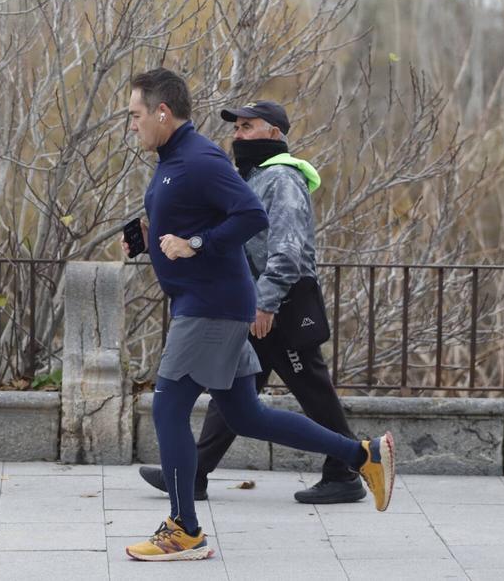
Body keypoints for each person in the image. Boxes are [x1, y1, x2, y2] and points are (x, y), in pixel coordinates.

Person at [119, 68, 395, 563]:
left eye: (135, 115)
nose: (130, 125)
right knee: (246, 414)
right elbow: (190, 219)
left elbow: (250, 216)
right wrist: (146, 241)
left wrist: (195, 245)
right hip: (206, 302)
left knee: (167, 407)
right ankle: (361, 456)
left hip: (210, 306)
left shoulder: (202, 159)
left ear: (162, 113)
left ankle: (184, 529)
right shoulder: (174, 160)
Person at [137, 100, 367, 505]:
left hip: (279, 303)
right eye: (236, 128)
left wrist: (267, 303)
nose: (237, 135)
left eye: (247, 127)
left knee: (310, 388)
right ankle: (194, 472)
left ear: (273, 134)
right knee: (236, 399)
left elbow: (288, 249)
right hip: (247, 301)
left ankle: (348, 468)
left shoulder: (282, 178)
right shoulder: (252, 175)